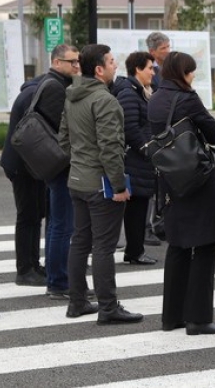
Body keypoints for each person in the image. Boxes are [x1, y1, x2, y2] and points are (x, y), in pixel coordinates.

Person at [149, 51, 215, 335]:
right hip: (196, 179)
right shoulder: (187, 98)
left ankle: (171, 317)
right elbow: (212, 132)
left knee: (179, 245)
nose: (193, 75)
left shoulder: (156, 97)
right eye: (191, 70)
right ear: (181, 72)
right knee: (206, 244)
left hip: (171, 179)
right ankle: (198, 318)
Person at [59, 43, 142, 325]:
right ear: (98, 69)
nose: (115, 65)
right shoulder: (105, 101)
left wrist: (81, 161)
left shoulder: (72, 97)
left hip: (78, 180)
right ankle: (108, 307)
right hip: (100, 184)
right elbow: (111, 148)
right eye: (111, 61)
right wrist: (119, 186)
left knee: (80, 241)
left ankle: (77, 301)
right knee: (104, 246)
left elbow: (63, 139)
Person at [0, 44, 80, 297]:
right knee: (29, 216)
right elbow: (60, 130)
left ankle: (34, 265)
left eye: (78, 61)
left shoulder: (44, 84)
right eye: (72, 62)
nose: (77, 66)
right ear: (57, 62)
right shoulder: (53, 88)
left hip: (29, 162)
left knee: (35, 215)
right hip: (26, 163)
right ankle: (26, 269)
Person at [112, 51, 158, 267]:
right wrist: (146, 148)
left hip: (139, 160)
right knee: (136, 209)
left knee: (138, 208)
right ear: (138, 69)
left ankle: (135, 250)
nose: (153, 71)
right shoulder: (129, 93)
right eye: (150, 67)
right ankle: (134, 251)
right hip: (135, 160)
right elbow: (129, 126)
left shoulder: (141, 91)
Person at [144, 31, 172, 244]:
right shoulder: (150, 72)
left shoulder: (166, 70)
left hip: (166, 132)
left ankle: (158, 222)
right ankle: (147, 227)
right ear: (152, 51)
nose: (168, 51)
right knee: (151, 184)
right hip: (154, 133)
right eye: (164, 48)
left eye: (168, 47)